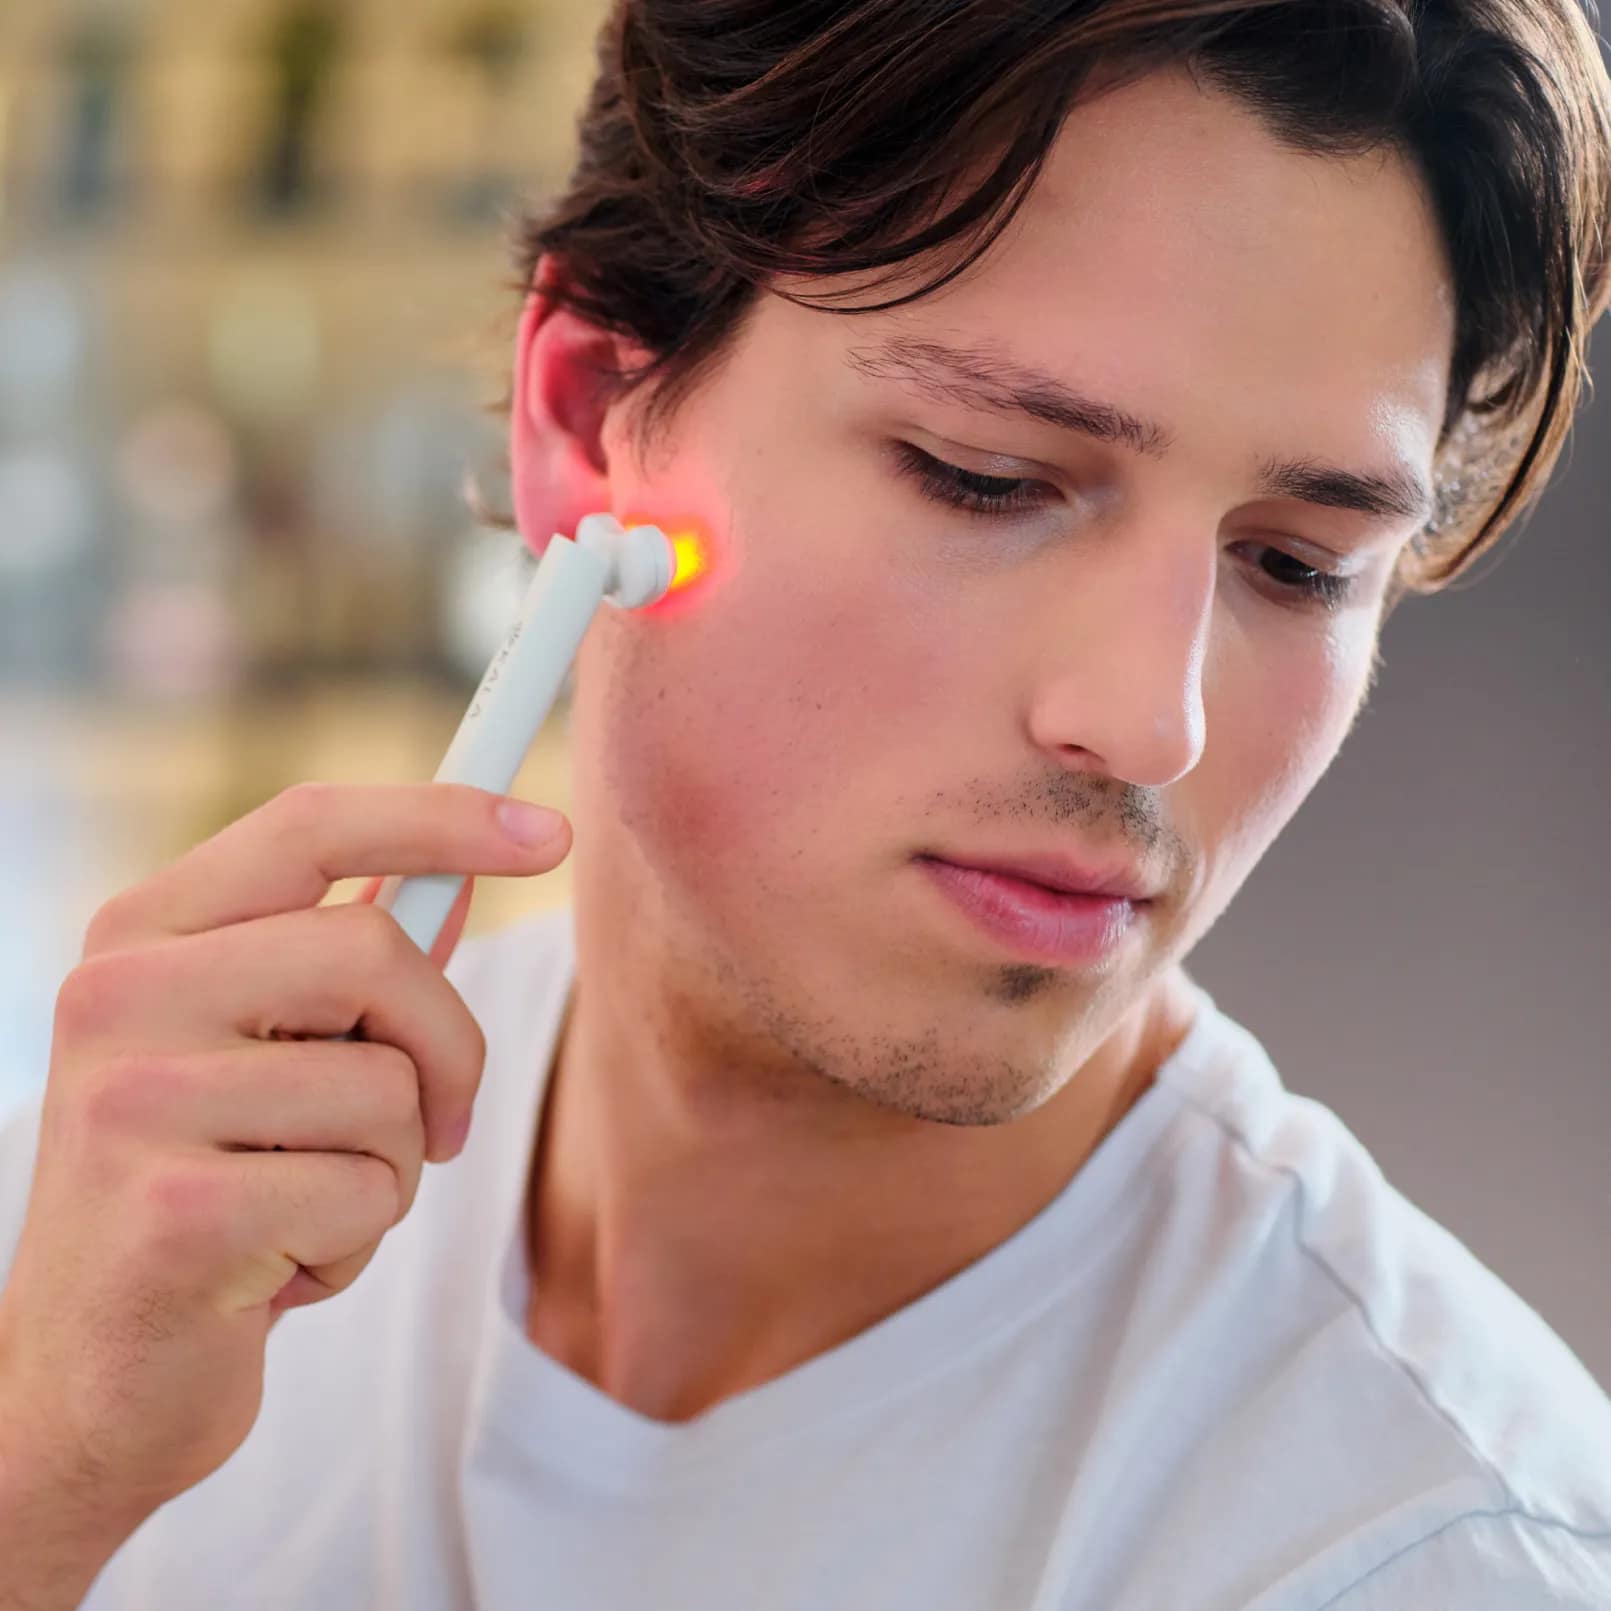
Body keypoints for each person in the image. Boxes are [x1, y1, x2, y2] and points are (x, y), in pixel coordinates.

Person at [3, 1, 1610, 1606]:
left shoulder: (1428, 1553)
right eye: (986, 474)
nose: (1151, 720)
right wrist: (45, 1482)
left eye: (1297, 566)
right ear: (589, 417)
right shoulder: (115, 1252)